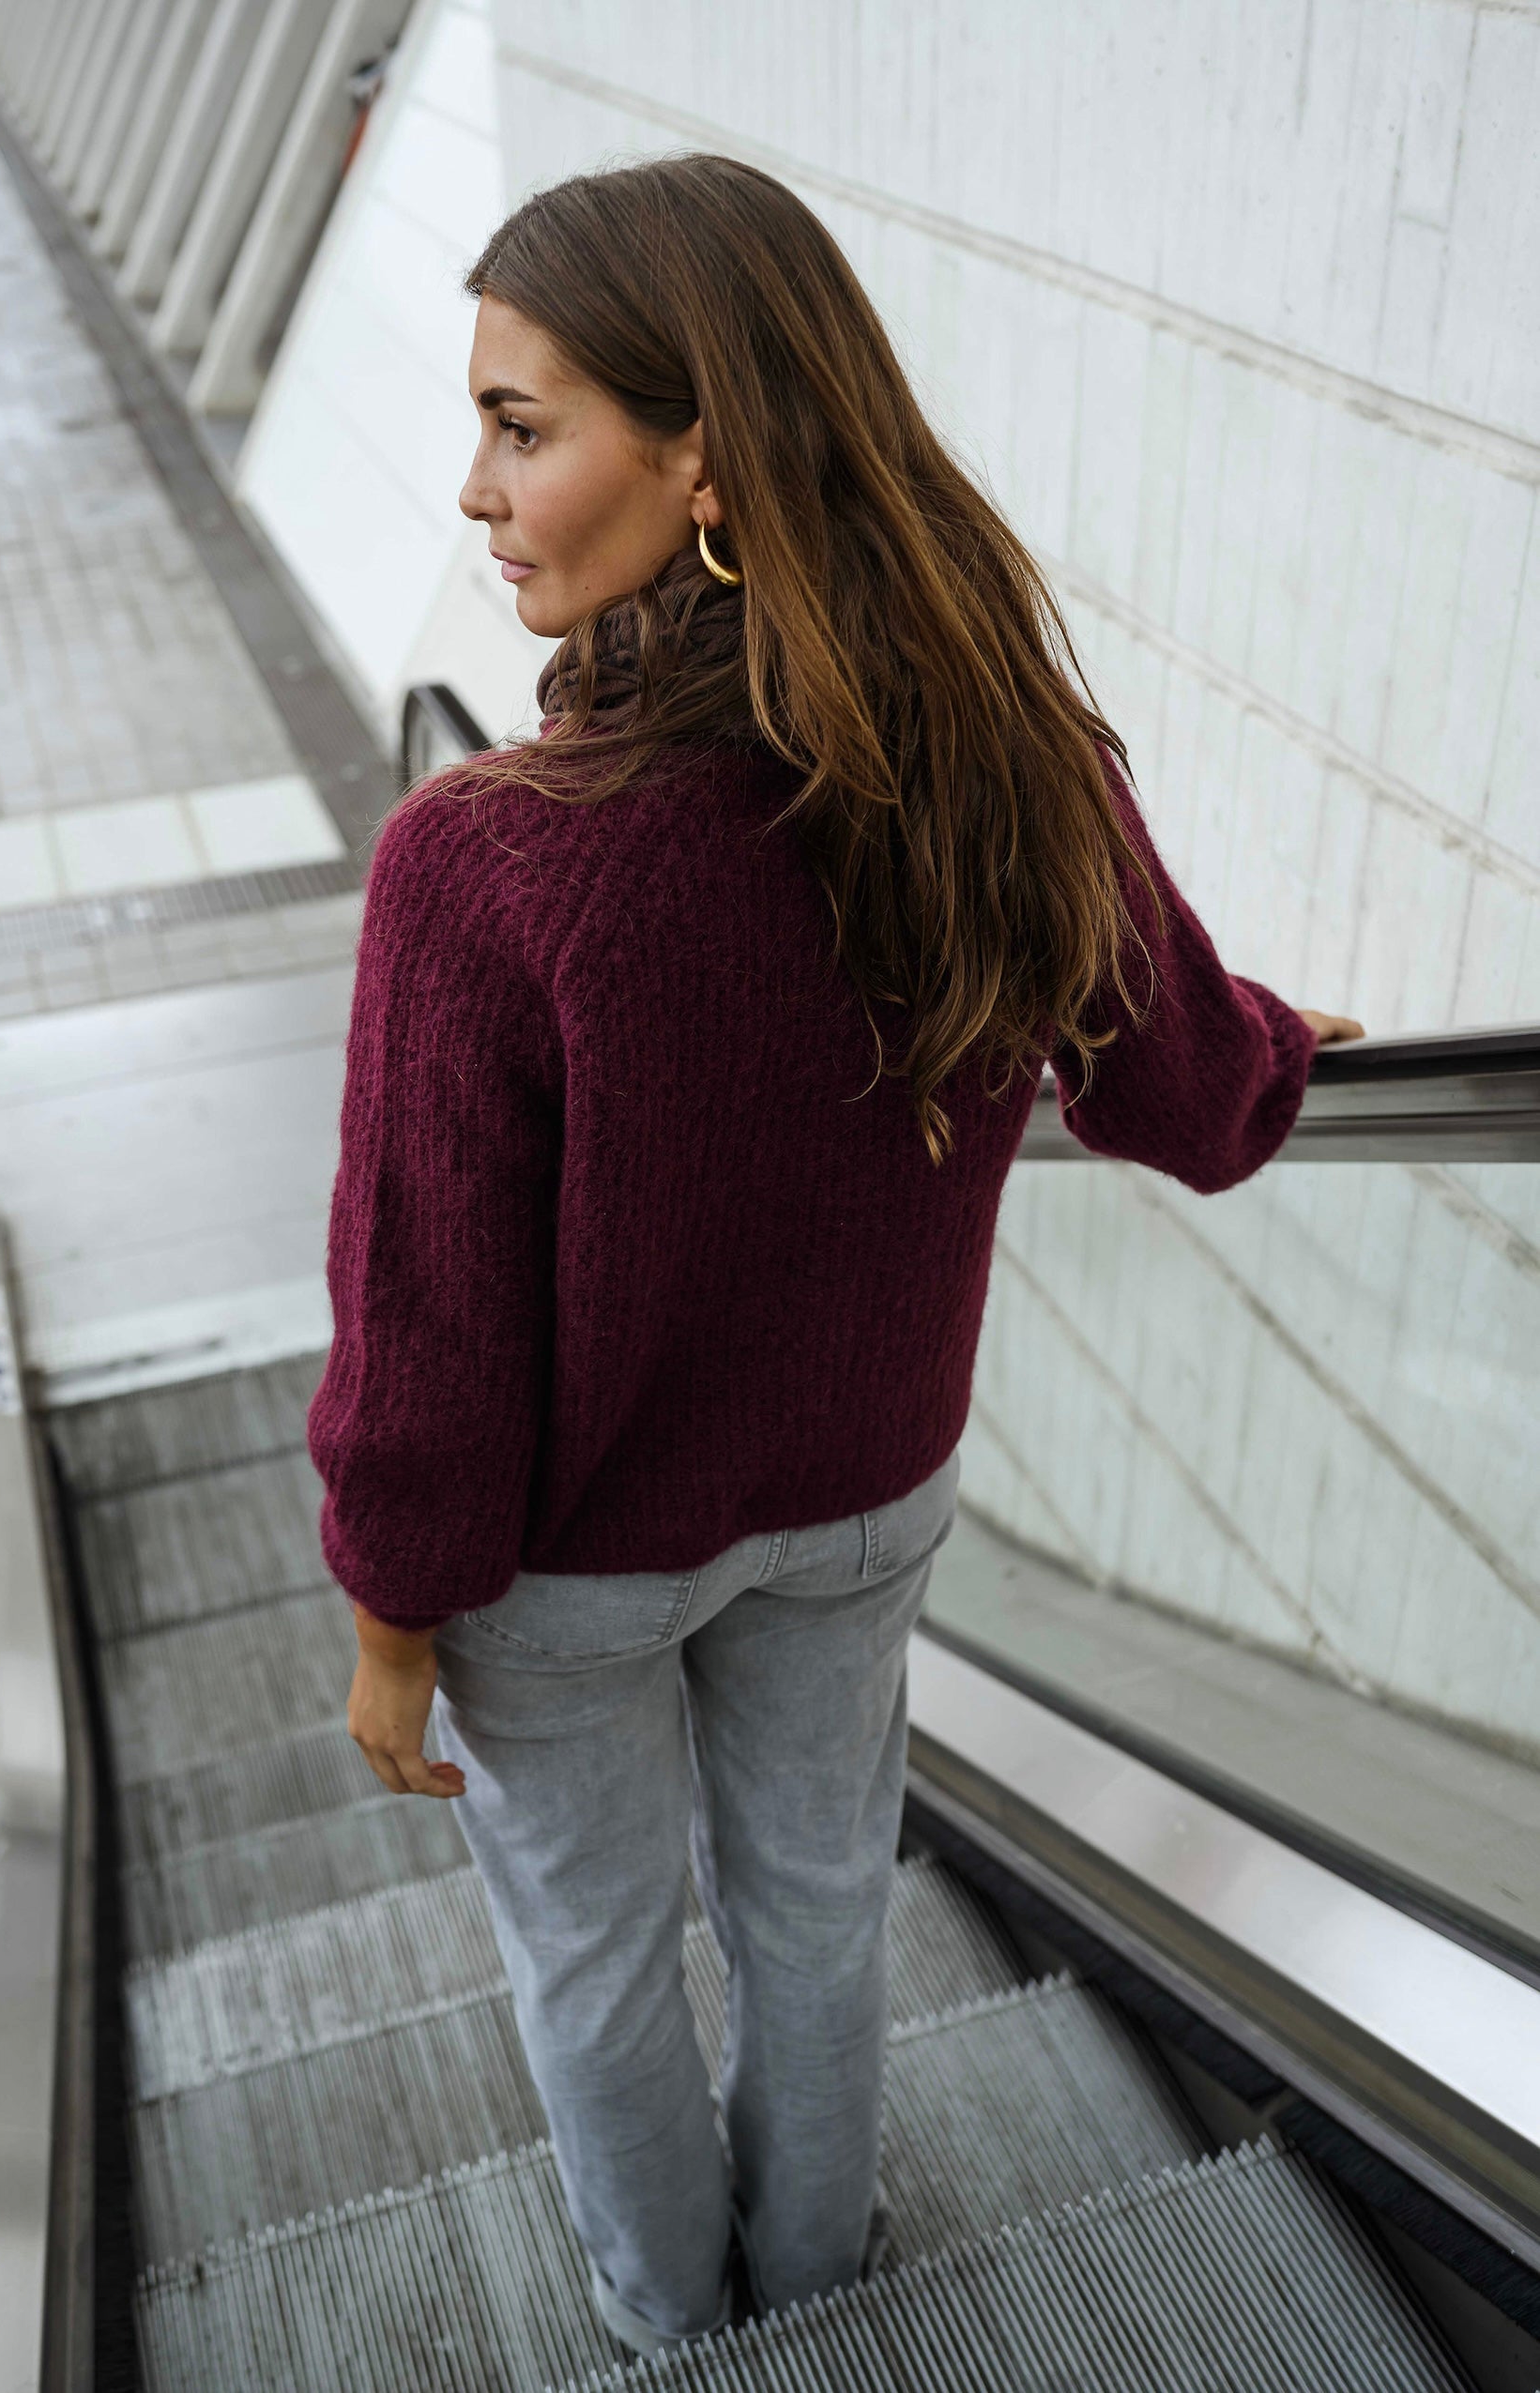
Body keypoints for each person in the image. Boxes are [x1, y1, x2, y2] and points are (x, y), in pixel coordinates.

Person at [306, 154, 1365, 2359]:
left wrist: (395, 1611)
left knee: (599, 1960)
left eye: (522, 426)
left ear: (701, 454)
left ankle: (678, 2329)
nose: (477, 489)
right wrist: (1281, 1041)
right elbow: (1182, 1091)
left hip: (572, 1566)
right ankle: (820, 2287)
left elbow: (429, 1326)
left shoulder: (481, 865)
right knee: (814, 1913)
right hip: (868, 1493)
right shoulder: (997, 746)